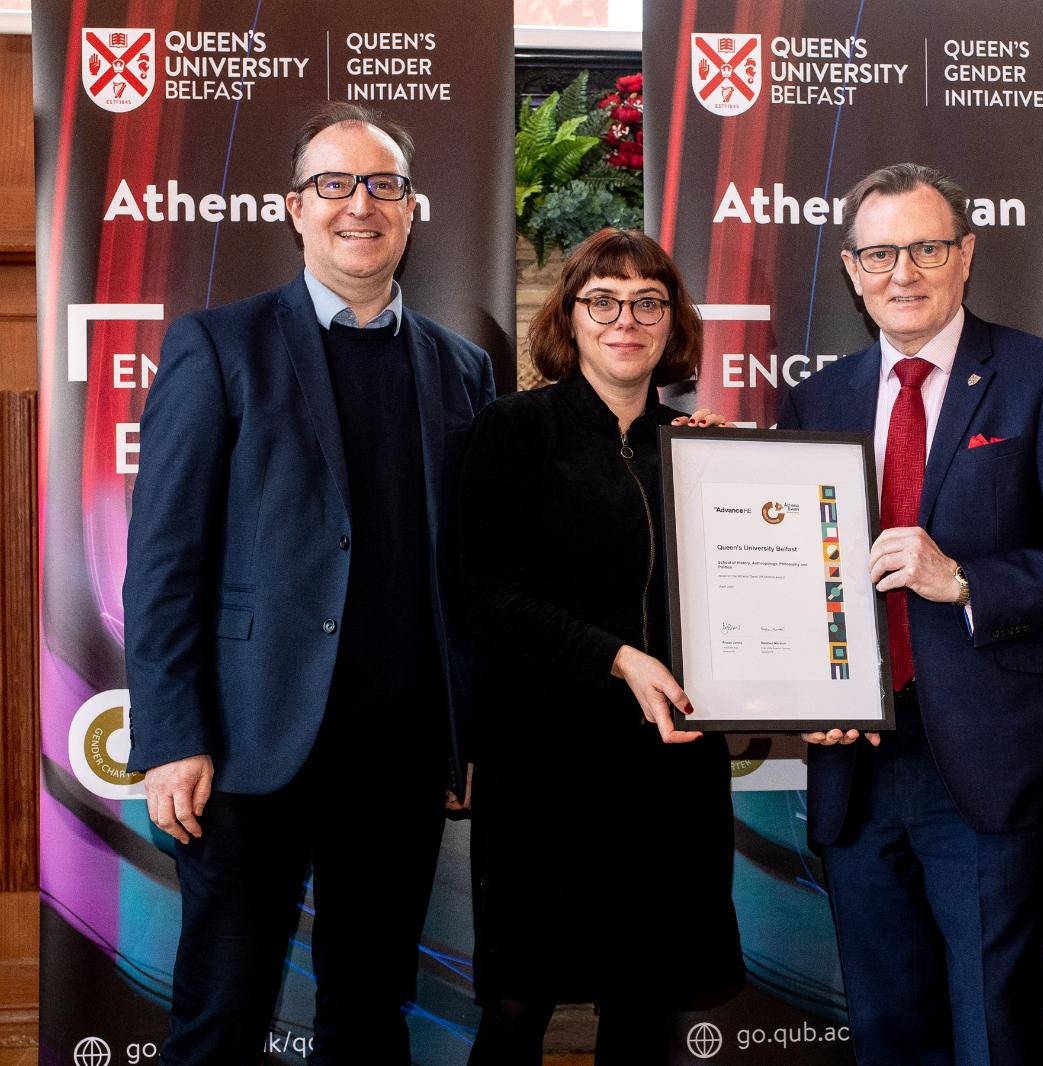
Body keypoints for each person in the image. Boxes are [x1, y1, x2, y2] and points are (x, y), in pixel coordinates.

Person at [122, 102, 494, 1064]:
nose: (359, 204)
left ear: (410, 208)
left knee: (369, 1017)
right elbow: (163, 562)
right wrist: (172, 737)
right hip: (245, 748)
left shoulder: (462, 369)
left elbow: (473, 571)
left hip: (402, 755)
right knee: (220, 1018)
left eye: (383, 185)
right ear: (295, 208)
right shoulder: (218, 347)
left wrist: (467, 733)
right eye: (334, 183)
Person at [776, 163, 1043, 1065]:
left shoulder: (1039, 376)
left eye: (926, 249)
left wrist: (965, 580)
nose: (903, 272)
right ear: (852, 270)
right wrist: (798, 690)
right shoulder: (817, 399)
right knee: (886, 1030)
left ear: (965, 255)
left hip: (988, 763)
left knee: (991, 1030)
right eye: (879, 254)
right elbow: (794, 578)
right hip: (855, 765)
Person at [459, 228, 743, 1065]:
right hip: (544, 769)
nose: (627, 319)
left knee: (644, 1010)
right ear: (570, 317)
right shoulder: (514, 430)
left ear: (672, 321)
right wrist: (618, 658)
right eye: (604, 301)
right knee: (518, 1007)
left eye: (648, 302)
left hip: (670, 769)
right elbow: (485, 596)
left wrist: (741, 475)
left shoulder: (699, 447)